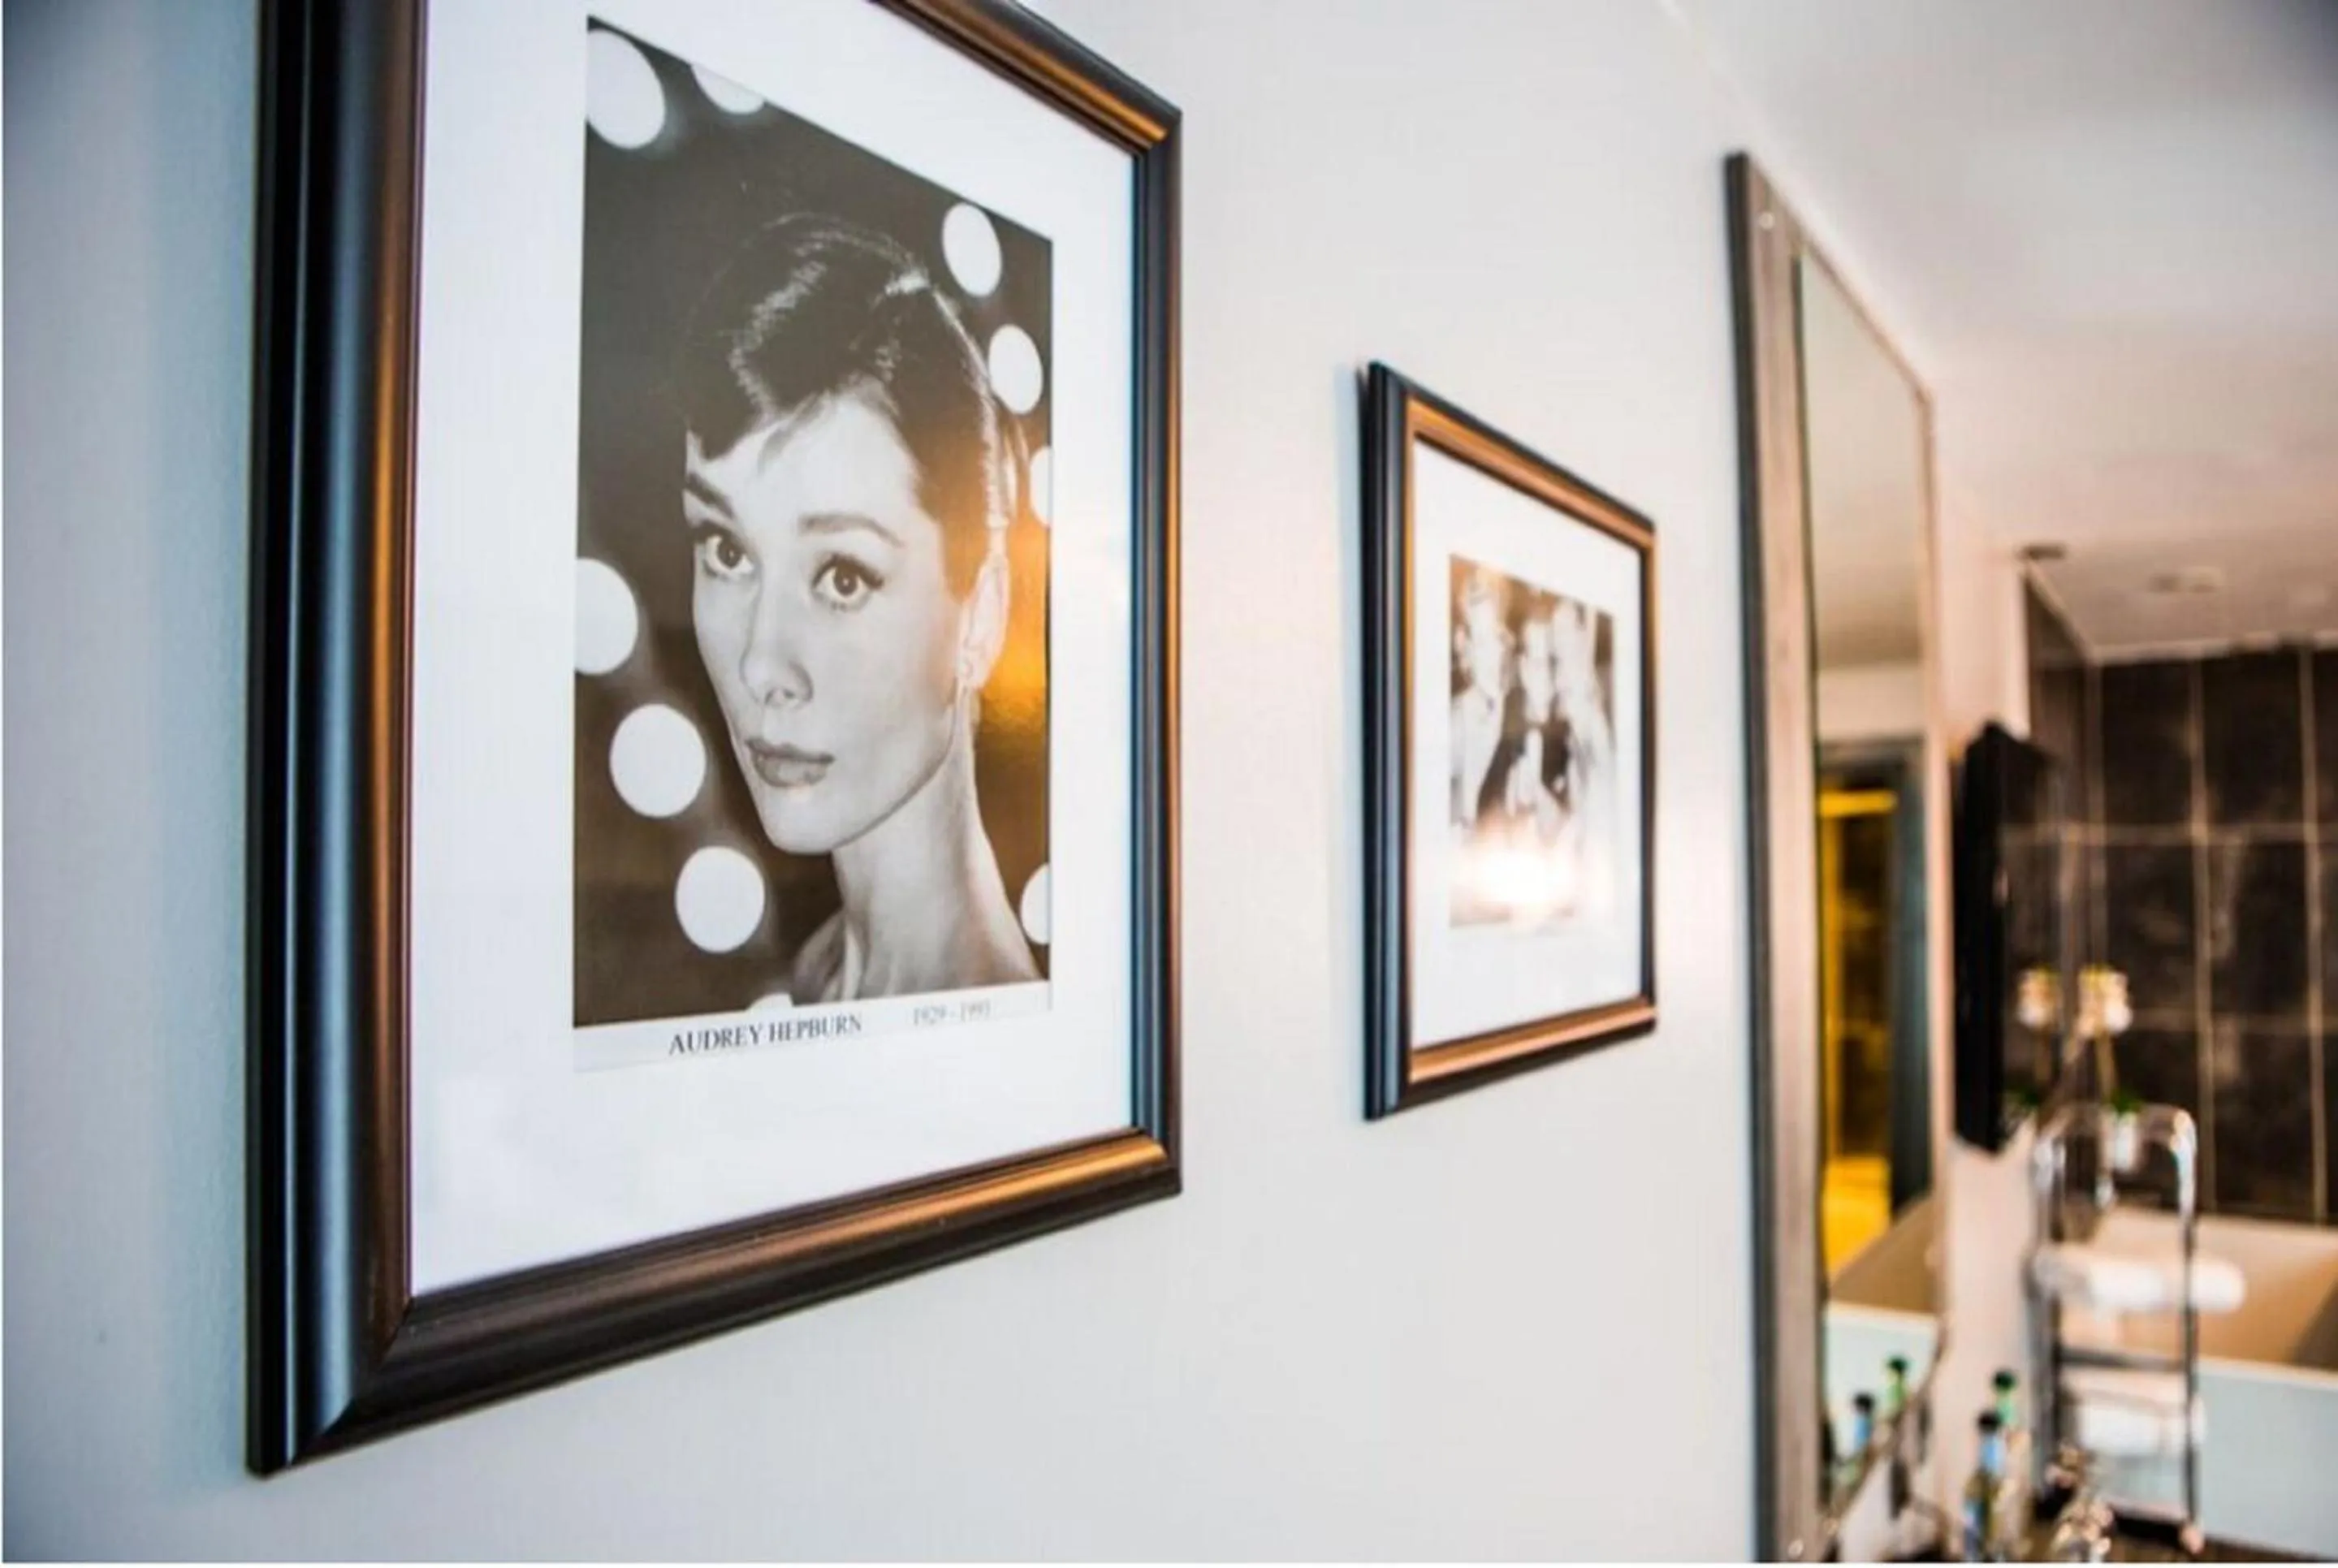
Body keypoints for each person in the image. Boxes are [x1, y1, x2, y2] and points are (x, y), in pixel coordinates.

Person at [673, 215, 1039, 1002]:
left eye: (841, 575)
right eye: (727, 551)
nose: (760, 664)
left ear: (978, 618)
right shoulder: (818, 974)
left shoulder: (985, 1020)